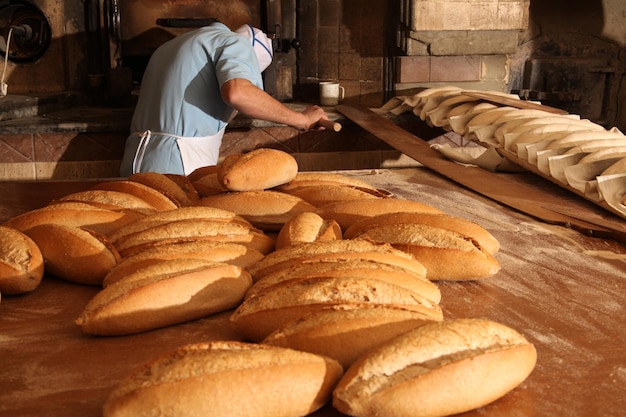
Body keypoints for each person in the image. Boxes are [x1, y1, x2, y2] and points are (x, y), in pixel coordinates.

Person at [119, 21, 329, 176]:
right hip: (178, 164)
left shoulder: (170, 47)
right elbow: (238, 92)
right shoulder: (236, 43)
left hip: (133, 161)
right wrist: (301, 119)